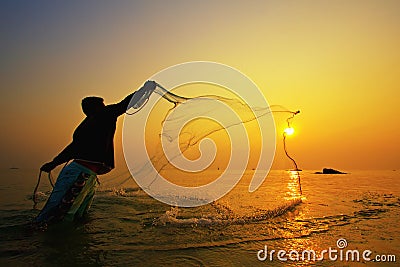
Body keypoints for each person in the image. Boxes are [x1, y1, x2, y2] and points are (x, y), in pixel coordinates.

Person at [35, 80, 157, 226]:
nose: (106, 106)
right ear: (94, 108)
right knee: (56, 217)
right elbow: (124, 104)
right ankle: (32, 241)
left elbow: (73, 149)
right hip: (79, 175)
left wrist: (53, 163)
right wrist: (144, 89)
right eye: (102, 104)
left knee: (77, 218)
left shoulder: (89, 124)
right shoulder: (102, 116)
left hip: (86, 176)